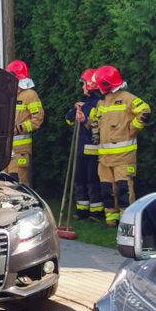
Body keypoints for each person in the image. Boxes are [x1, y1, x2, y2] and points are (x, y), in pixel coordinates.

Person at [88, 65, 151, 227]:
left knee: (124, 189)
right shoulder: (101, 103)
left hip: (123, 156)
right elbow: (94, 121)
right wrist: (85, 119)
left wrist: (133, 129)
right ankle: (111, 219)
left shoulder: (128, 98)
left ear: (106, 84)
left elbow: (145, 110)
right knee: (107, 189)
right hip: (104, 157)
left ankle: (127, 221)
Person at [64, 68, 104, 220]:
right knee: (80, 179)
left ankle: (97, 212)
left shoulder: (98, 103)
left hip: (93, 150)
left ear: (91, 84)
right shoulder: (84, 103)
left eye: (84, 84)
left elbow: (96, 123)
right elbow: (68, 120)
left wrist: (84, 114)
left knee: (93, 181)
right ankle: (82, 211)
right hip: (81, 149)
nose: (82, 87)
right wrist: (74, 109)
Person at [4, 60, 45, 187]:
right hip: (5, 149)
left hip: (20, 150)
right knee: (5, 183)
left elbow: (37, 120)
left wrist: (17, 129)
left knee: (20, 184)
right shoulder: (8, 94)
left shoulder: (30, 95)